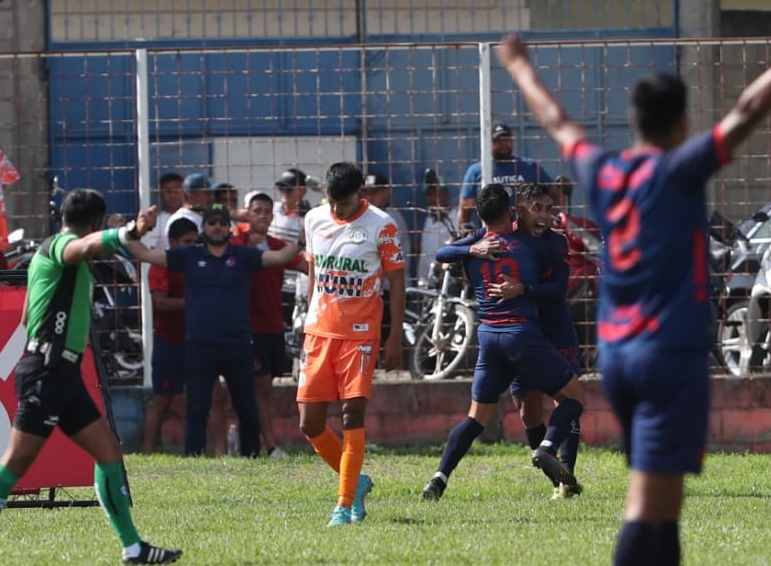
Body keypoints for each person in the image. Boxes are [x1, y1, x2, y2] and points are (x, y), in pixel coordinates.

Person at [496, 33, 771, 565]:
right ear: (682, 122)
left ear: (635, 121)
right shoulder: (681, 169)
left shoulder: (605, 171)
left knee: (666, 504)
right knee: (650, 502)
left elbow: (557, 121)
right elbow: (748, 109)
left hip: (621, 354)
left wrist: (520, 67)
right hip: (667, 352)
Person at [0, 188, 181, 564]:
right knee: (15, 464)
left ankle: (133, 548)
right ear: (96, 222)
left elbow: (27, 317)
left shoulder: (54, 256)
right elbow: (81, 247)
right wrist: (129, 230)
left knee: (108, 452)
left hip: (62, 373)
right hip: (48, 371)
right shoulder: (61, 246)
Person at [420, 183, 584, 502]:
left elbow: (443, 254)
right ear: (514, 211)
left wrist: (474, 252)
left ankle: (439, 479)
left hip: (505, 335)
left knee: (479, 416)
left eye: (547, 209)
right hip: (523, 334)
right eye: (536, 209)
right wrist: (477, 252)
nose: (544, 217)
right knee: (555, 402)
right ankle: (549, 458)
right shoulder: (522, 243)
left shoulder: (490, 242)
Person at [127, 203, 301, 458]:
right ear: (204, 228)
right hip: (200, 346)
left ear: (229, 228)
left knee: (246, 408)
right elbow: (143, 254)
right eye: (212, 222)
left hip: (238, 345)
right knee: (197, 407)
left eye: (222, 222)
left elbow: (281, 257)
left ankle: (251, 458)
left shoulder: (243, 256)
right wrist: (136, 229)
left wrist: (302, 240)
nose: (217, 227)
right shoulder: (189, 255)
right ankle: (194, 458)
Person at [298, 162, 406, 526]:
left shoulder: (382, 225)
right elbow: (314, 270)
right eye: (332, 202)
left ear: (361, 193)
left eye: (343, 204)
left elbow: (397, 282)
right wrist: (309, 317)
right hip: (319, 332)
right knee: (309, 424)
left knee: (351, 415)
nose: (337, 210)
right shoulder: (314, 219)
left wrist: (394, 336)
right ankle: (356, 482)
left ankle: (343, 506)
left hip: (360, 335)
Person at [233, 191, 308, 457]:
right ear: (247, 214)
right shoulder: (236, 242)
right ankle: (269, 445)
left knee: (265, 386)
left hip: (273, 325)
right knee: (260, 386)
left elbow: (307, 267)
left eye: (267, 211)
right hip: (247, 327)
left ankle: (244, 436)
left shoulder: (278, 246)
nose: (263, 216)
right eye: (257, 211)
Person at [143, 217, 199, 455]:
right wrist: (194, 303)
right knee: (162, 401)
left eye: (195, 242)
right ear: (173, 242)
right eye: (187, 242)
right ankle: (148, 453)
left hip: (196, 340)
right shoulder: (161, 265)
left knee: (205, 399)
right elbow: (160, 302)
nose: (192, 247)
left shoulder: (200, 262)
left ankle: (206, 451)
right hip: (169, 341)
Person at [457, 122, 553, 229]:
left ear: (512, 141)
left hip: (526, 232)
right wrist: (462, 231)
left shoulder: (529, 166)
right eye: (498, 141)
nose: (503, 144)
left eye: (507, 140)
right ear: (488, 143)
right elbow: (465, 206)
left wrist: (551, 219)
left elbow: (555, 192)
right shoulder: (476, 171)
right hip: (490, 232)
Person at [363, 171, 410, 343]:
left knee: (385, 340)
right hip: (372, 291)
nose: (369, 197)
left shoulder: (391, 219)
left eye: (374, 192)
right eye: (366, 192)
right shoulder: (368, 218)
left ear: (385, 192)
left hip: (390, 289)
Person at [417, 176, 457, 283]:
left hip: (445, 280)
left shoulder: (455, 218)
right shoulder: (428, 218)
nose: (432, 198)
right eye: (429, 194)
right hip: (425, 279)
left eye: (436, 193)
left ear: (446, 194)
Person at [143, 172, 185, 250]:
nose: (172, 195)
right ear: (161, 195)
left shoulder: (192, 216)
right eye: (168, 191)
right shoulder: (157, 221)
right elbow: (148, 249)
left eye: (176, 191)